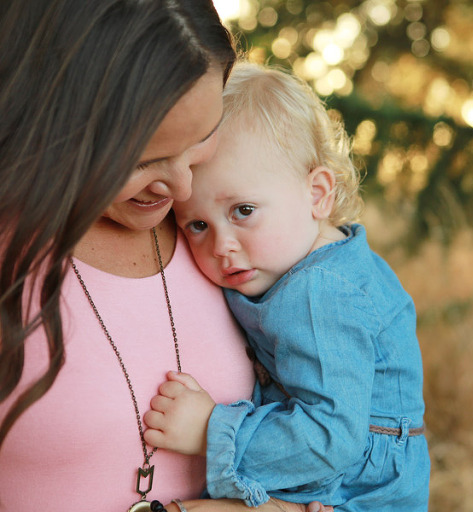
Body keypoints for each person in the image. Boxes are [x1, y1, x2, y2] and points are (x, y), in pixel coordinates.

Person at [0, 2, 331, 511]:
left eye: (201, 139)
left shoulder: (248, 244)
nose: (183, 189)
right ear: (51, 124)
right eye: (141, 160)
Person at [143, 62, 431, 511]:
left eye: (243, 211)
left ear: (317, 194)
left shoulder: (320, 291)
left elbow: (329, 439)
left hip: (353, 492)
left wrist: (209, 430)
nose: (222, 246)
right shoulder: (306, 259)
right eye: (197, 224)